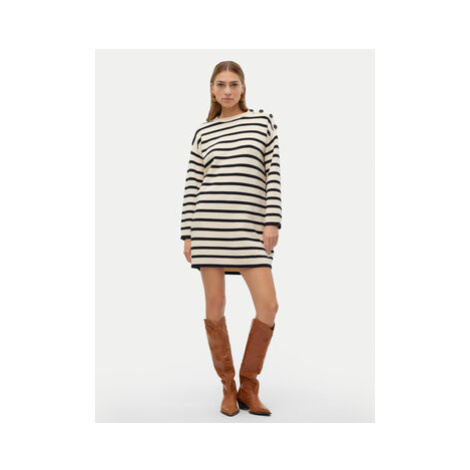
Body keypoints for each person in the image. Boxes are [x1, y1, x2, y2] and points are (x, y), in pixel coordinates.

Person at [179, 60, 282, 417]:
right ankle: (228, 387)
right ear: (212, 89)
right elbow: (192, 185)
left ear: (243, 88)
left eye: (233, 84)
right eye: (220, 84)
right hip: (208, 227)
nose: (227, 90)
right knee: (216, 305)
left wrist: (272, 222)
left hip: (250, 228)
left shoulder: (262, 122)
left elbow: (273, 174)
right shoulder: (203, 132)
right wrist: (187, 234)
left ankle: (249, 385)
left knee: (269, 306)